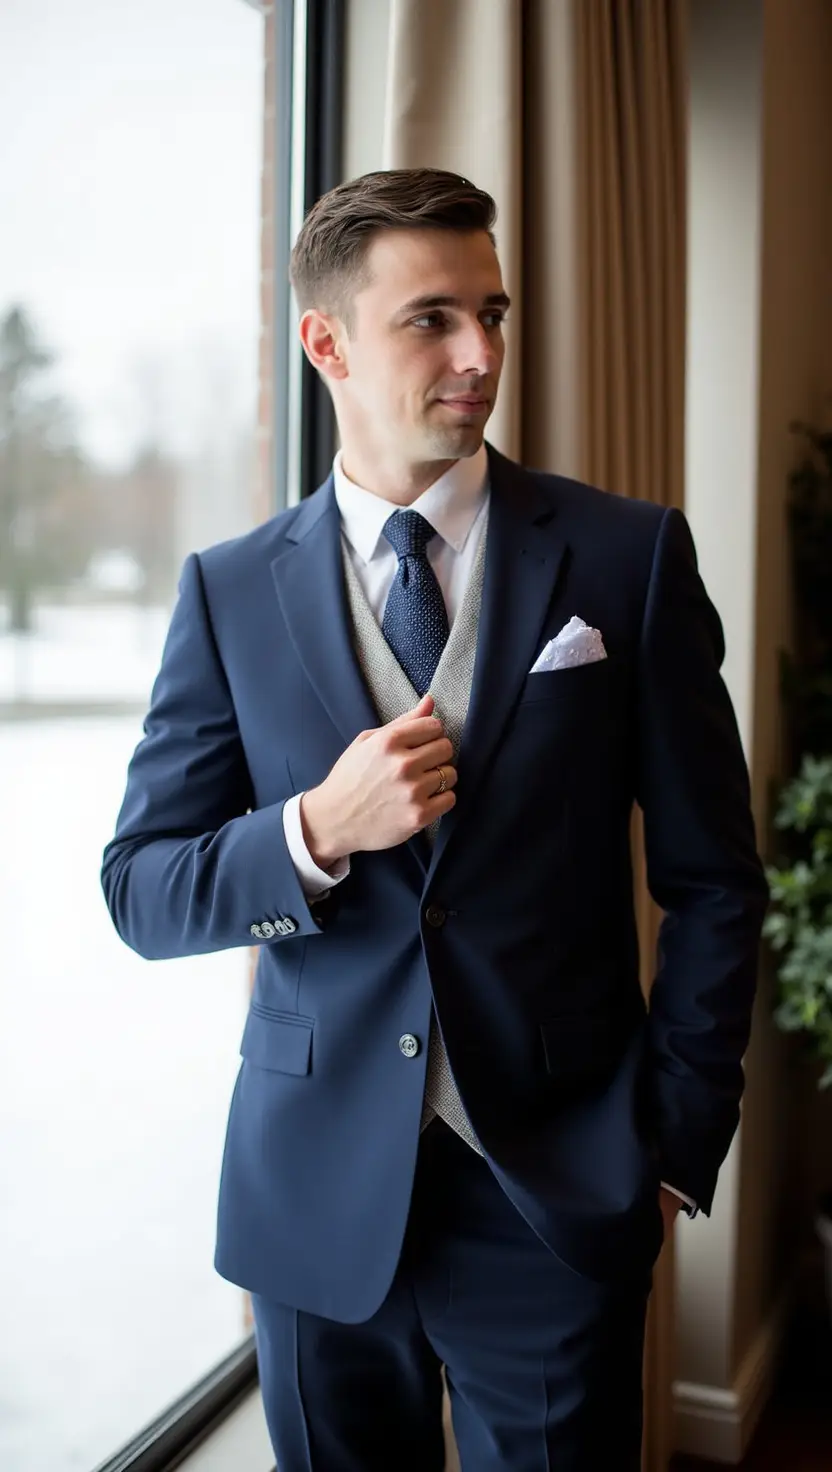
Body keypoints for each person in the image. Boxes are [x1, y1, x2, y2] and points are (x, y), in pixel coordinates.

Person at [101, 168, 768, 1471]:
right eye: (433, 319)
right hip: (309, 1206)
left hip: (558, 1195)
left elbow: (714, 880)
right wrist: (313, 829)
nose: (482, 356)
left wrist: (677, 1145)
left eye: (494, 313)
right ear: (327, 342)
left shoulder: (627, 559)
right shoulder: (229, 591)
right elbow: (140, 888)